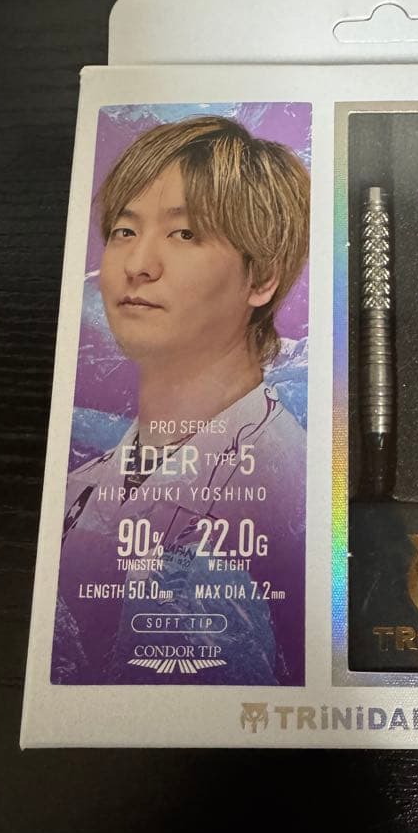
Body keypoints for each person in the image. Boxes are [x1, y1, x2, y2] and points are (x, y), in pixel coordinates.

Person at [52, 115, 310, 685]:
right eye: (124, 231)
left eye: (185, 233)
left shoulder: (287, 495)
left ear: (261, 277)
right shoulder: (79, 487)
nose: (137, 265)